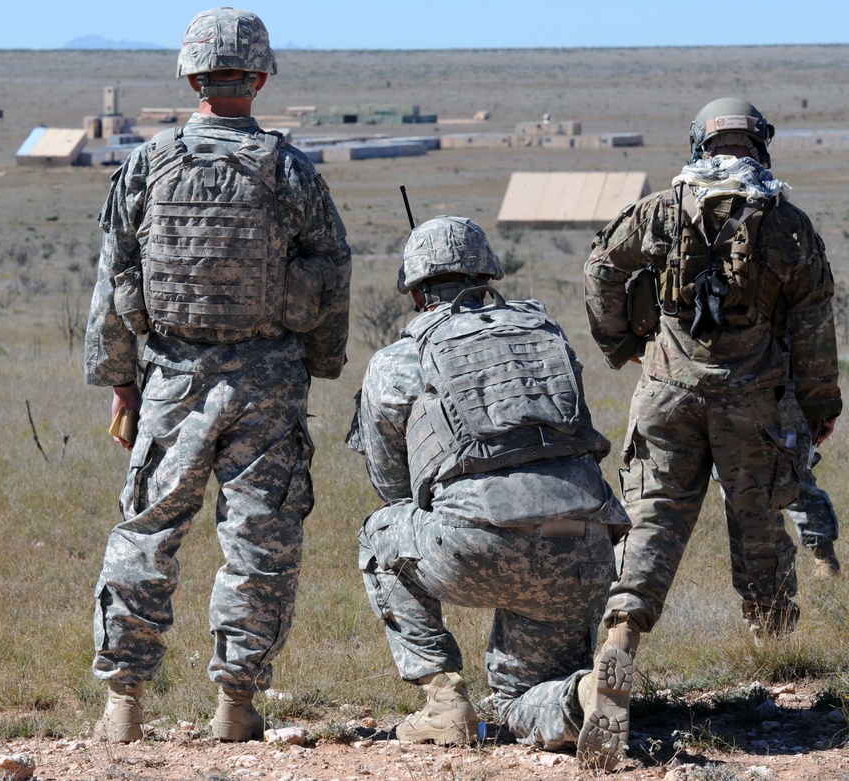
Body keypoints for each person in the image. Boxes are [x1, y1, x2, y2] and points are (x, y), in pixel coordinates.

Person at [84, 6, 351, 744]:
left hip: (172, 377)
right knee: (259, 543)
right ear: (260, 78)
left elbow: (114, 278)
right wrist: (320, 363)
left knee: (146, 535)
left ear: (191, 76)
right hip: (269, 383)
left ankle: (124, 704)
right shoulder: (292, 170)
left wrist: (121, 381)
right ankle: (236, 705)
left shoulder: (145, 164)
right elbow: (331, 273)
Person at [583, 97, 841, 762]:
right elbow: (813, 319)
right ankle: (774, 662)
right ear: (760, 144)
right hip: (753, 403)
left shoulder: (663, 209)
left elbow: (601, 268)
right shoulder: (786, 223)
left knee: (651, 522)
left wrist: (623, 344)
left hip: (667, 394)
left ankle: (620, 640)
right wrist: (818, 405)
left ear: (701, 143)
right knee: (759, 527)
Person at [348, 216, 630, 766]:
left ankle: (443, 702)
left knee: (380, 536)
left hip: (474, 544)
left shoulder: (396, 363)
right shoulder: (547, 337)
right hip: (584, 546)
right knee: (520, 696)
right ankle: (581, 696)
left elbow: (391, 488)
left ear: (414, 290)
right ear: (489, 276)